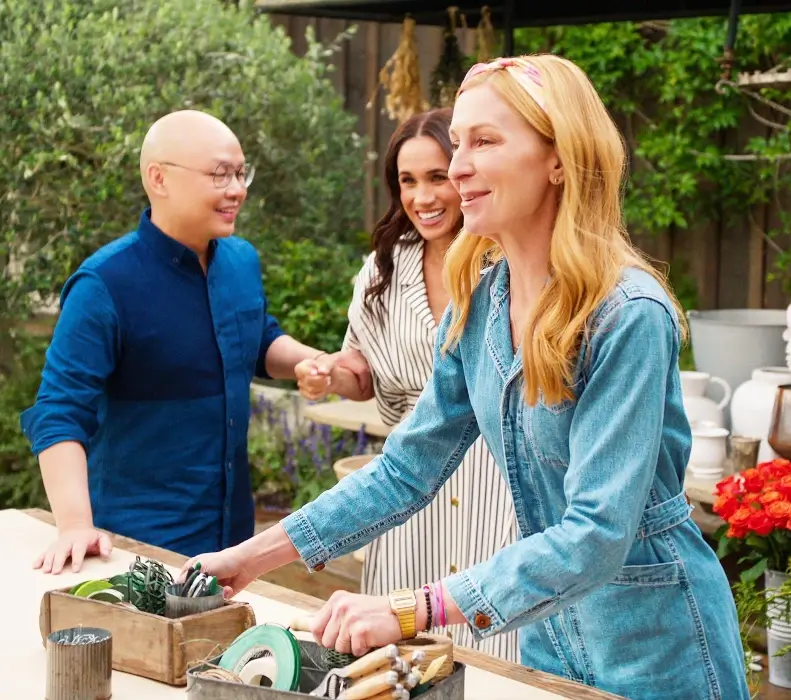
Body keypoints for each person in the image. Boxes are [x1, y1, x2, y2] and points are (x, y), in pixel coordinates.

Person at [184, 55, 750, 700]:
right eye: (459, 144)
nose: (457, 168)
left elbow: (595, 533)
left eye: (484, 142)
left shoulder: (627, 315)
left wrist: (409, 611)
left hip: (655, 645)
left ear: (559, 158)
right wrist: (247, 559)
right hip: (545, 635)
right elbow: (404, 470)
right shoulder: (479, 305)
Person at [20, 110, 355, 571]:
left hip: (232, 547)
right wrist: (75, 525)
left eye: (241, 173)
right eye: (220, 174)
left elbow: (257, 338)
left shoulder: (240, 260)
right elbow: (59, 411)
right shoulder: (104, 283)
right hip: (136, 547)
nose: (237, 189)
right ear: (159, 178)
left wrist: (309, 360)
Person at [292, 107, 520, 663]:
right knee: (397, 656)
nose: (423, 197)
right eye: (408, 181)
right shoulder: (383, 270)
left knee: (495, 646)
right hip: (407, 489)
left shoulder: (511, 262)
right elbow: (361, 370)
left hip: (499, 490)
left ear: (466, 173)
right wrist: (328, 373)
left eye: (437, 176)